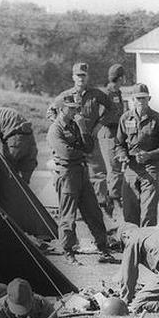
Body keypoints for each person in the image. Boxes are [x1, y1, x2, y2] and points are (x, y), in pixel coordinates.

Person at [47, 92, 114, 261]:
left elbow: (89, 146)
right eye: (71, 109)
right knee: (68, 215)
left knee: (93, 211)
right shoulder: (55, 129)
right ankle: (68, 251)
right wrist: (82, 153)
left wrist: (83, 128)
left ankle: (103, 247)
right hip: (68, 173)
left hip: (81, 172)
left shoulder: (76, 124)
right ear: (62, 109)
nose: (74, 111)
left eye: (76, 108)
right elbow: (66, 153)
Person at [48, 62, 113, 210]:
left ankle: (100, 206)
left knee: (98, 174)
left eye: (83, 75)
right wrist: (62, 125)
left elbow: (112, 109)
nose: (81, 79)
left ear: (87, 76)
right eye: (78, 75)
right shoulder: (65, 96)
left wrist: (99, 125)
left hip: (90, 139)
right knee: (70, 173)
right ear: (73, 77)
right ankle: (73, 207)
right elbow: (50, 112)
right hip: (72, 141)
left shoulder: (96, 94)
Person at [114, 83, 159, 226]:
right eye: (137, 98)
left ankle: (147, 246)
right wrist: (122, 155)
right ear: (133, 100)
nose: (140, 101)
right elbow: (118, 144)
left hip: (150, 169)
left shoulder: (158, 120)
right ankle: (132, 246)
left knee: (148, 212)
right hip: (131, 168)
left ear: (149, 99)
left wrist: (149, 155)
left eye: (144, 98)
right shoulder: (125, 118)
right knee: (129, 212)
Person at [101, 64, 129, 217]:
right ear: (120, 78)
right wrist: (120, 119)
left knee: (118, 168)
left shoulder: (117, 92)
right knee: (114, 169)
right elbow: (102, 117)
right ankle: (113, 200)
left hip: (118, 133)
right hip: (109, 135)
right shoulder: (107, 94)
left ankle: (113, 198)